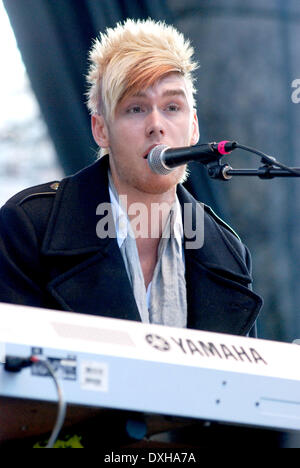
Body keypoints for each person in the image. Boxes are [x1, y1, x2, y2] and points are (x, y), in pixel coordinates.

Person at [0, 18, 262, 336]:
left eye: (172, 106)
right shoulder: (29, 226)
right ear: (101, 130)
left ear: (193, 127)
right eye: (136, 108)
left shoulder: (228, 252)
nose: (156, 125)